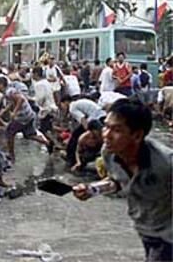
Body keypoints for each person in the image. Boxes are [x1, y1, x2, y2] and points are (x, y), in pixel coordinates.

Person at [73, 99, 172, 262]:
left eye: (116, 129)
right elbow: (117, 181)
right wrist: (92, 189)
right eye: (106, 126)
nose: (106, 135)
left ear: (137, 135)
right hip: (147, 229)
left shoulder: (166, 163)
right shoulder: (108, 153)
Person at [0, 76, 53, 163]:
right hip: (28, 114)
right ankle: (48, 143)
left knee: (9, 132)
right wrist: (2, 113)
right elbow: (11, 102)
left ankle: (11, 155)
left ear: (1, 85)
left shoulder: (9, 91)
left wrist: (14, 112)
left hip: (23, 116)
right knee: (28, 135)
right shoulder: (8, 91)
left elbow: (20, 99)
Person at [61, 96, 106, 167]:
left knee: (75, 136)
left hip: (96, 118)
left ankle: (71, 158)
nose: (62, 108)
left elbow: (82, 119)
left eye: (62, 105)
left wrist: (87, 131)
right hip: (101, 116)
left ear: (66, 102)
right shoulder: (78, 103)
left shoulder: (72, 107)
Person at [30, 66, 58, 137]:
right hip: (51, 107)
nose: (31, 76)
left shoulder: (39, 84)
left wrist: (32, 100)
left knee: (43, 130)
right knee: (49, 127)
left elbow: (40, 98)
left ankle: (50, 144)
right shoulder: (46, 82)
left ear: (36, 74)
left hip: (46, 109)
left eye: (32, 74)